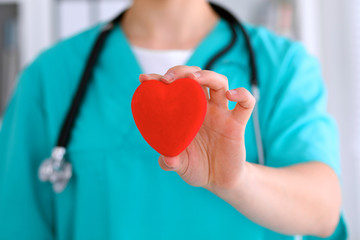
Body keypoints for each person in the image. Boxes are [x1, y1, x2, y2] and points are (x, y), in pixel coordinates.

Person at [0, 0, 347, 239]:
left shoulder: (281, 65)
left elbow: (324, 209)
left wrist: (238, 181)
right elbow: (17, 225)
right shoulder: (50, 76)